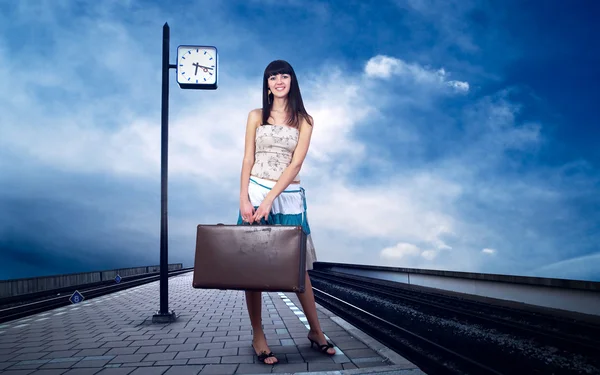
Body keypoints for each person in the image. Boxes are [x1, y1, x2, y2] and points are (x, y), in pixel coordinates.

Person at [237, 60, 336, 365]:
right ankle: (258, 335)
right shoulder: (256, 116)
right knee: (253, 270)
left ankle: (315, 331)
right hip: (254, 193)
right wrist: (244, 197)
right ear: (266, 84)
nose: (279, 81)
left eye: (284, 76)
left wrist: (270, 199)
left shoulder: (304, 119)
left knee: (297, 270)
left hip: (287, 196)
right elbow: (247, 158)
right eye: (272, 76)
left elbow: (296, 164)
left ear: (292, 81)